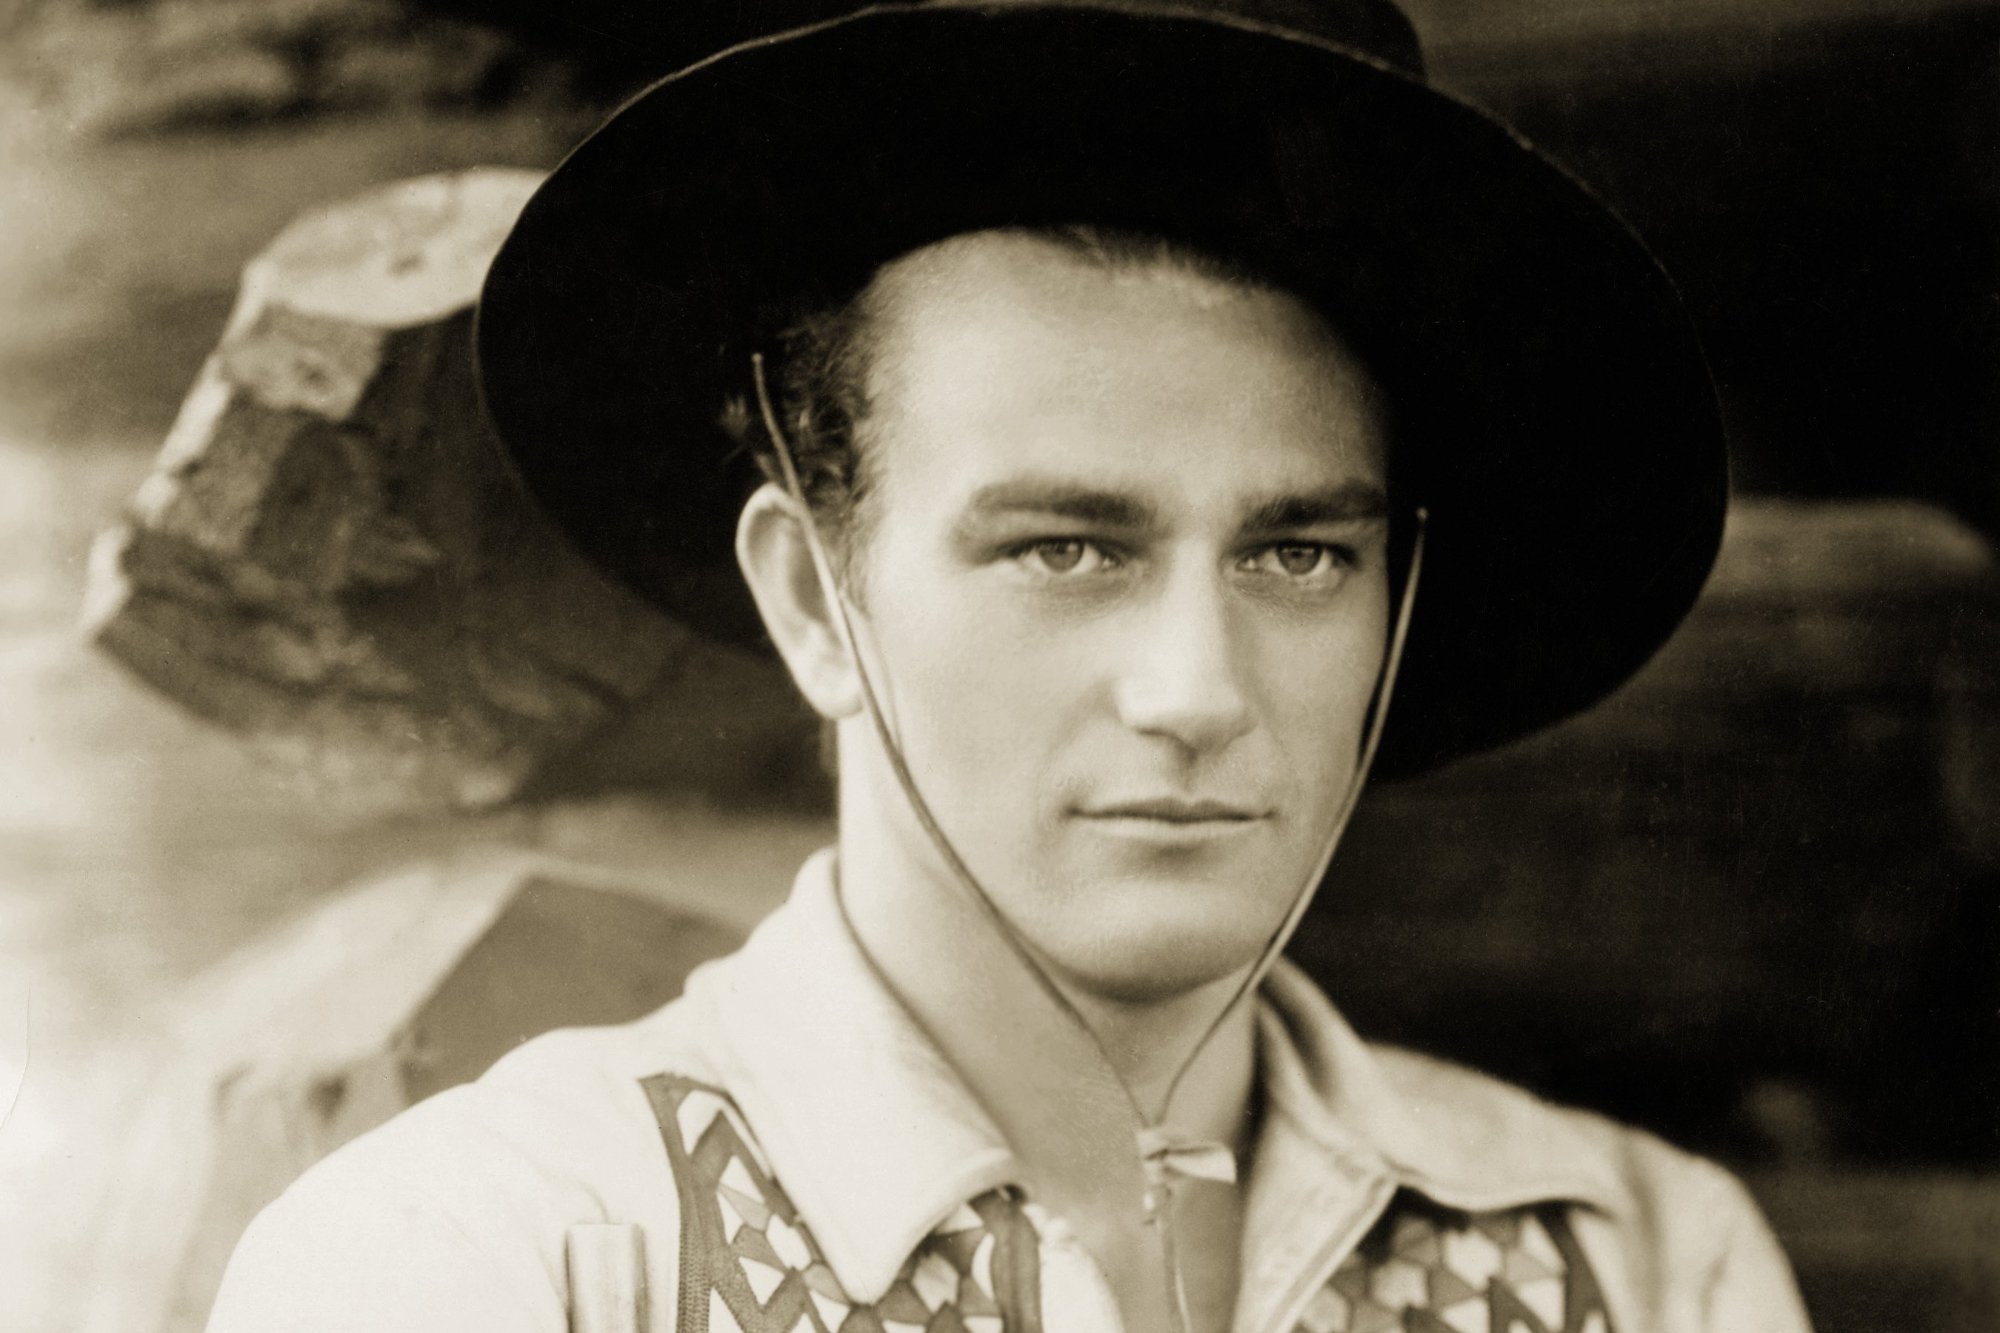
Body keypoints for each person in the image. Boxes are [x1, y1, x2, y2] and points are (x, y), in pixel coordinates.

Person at [206, 2, 1814, 1331]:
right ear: (814, 601)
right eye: (1068, 548)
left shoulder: (1642, 1265)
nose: (1196, 689)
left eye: (1296, 554)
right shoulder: (495, 1260)